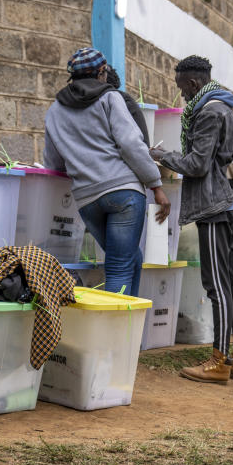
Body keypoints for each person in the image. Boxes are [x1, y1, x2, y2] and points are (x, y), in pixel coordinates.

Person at [150, 55, 233, 385]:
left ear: (193, 83)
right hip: (226, 203)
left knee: (217, 284)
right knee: (232, 281)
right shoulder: (223, 104)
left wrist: (161, 155)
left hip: (214, 206)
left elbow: (196, 164)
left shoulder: (208, 111)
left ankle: (220, 361)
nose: (182, 96)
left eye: (182, 89)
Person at [43, 47, 170, 296]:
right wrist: (156, 186)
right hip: (124, 194)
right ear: (101, 72)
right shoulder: (110, 98)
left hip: (87, 199)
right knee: (120, 267)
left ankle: (130, 330)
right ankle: (118, 333)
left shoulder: (55, 111)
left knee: (130, 258)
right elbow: (131, 144)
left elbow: (53, 162)